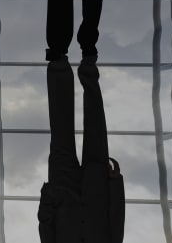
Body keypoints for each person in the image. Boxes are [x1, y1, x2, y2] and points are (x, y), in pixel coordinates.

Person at [38, 58, 125, 243]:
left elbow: (45, 224)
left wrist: (49, 194)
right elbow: (116, 220)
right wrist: (115, 183)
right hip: (97, 188)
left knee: (60, 126)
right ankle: (88, 66)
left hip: (62, 188)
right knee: (95, 123)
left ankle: (58, 62)